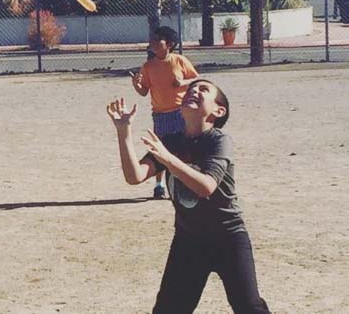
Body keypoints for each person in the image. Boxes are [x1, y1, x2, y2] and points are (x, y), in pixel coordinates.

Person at [107, 82, 272, 313]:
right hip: (189, 240)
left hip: (228, 237)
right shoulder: (171, 142)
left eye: (203, 90)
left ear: (219, 111)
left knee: (249, 307)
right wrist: (123, 132)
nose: (193, 91)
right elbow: (134, 176)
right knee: (169, 309)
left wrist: (167, 159)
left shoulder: (218, 141)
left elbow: (205, 187)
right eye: (190, 89)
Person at [131, 26, 199, 199]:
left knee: (184, 148)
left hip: (180, 112)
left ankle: (184, 182)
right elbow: (144, 91)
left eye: (157, 39)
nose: (152, 42)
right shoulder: (148, 66)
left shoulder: (179, 61)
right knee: (160, 149)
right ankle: (159, 185)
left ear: (168, 44)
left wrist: (182, 82)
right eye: (152, 39)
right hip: (160, 115)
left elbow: (196, 80)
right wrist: (136, 84)